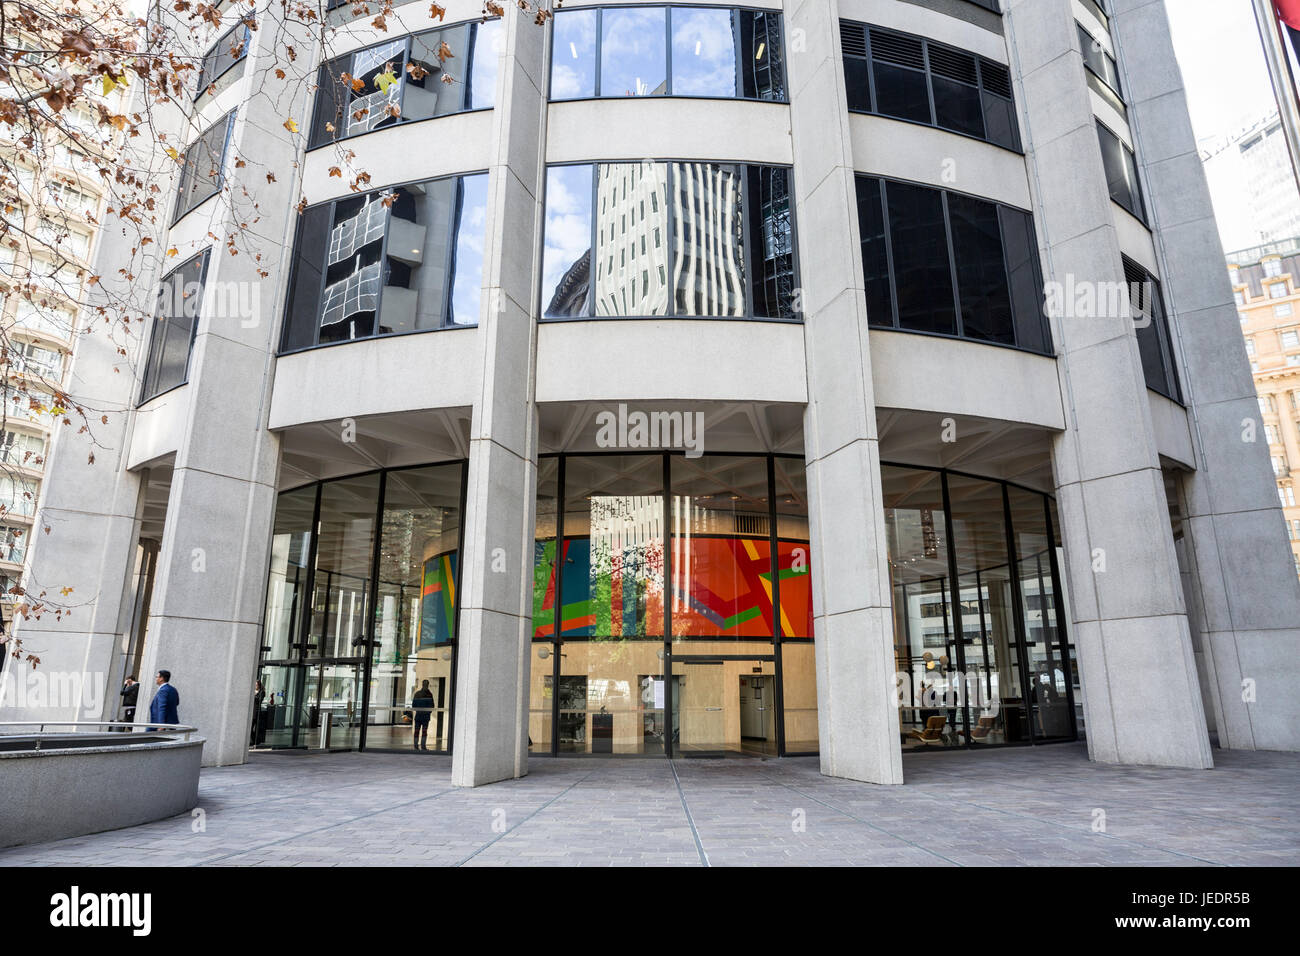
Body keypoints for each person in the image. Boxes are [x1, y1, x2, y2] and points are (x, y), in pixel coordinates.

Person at [411, 679, 435, 751]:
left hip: (419, 716)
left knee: (417, 731)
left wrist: (419, 711)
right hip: (425, 717)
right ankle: (423, 746)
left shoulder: (417, 694)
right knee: (424, 731)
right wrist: (428, 712)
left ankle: (416, 746)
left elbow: (414, 705)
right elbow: (432, 706)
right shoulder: (429, 694)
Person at [250, 679, 265, 747]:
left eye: (256, 685)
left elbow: (259, 700)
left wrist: (254, 695)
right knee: (250, 728)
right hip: (252, 711)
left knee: (256, 728)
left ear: (259, 685)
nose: (255, 686)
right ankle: (255, 741)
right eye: (255, 685)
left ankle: (256, 741)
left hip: (257, 712)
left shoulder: (262, 692)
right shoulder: (253, 691)